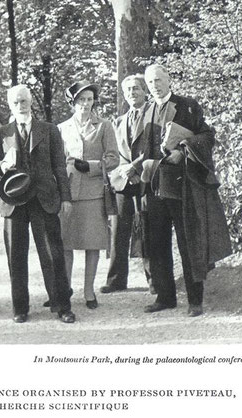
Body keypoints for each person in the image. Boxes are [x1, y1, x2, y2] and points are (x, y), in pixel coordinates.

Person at [141, 64, 231, 316]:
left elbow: (207, 136)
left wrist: (183, 151)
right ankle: (165, 297)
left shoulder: (188, 106)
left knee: (188, 242)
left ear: (168, 80)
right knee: (157, 244)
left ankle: (195, 300)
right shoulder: (146, 110)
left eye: (159, 80)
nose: (155, 85)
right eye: (150, 82)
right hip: (154, 187)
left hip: (182, 188)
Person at [0, 85, 75, 324]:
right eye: (16, 102)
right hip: (13, 202)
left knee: (52, 255)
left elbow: (60, 166)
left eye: (25, 101)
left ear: (30, 102)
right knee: (16, 257)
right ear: (10, 105)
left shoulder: (49, 130)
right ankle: (20, 308)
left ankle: (62, 306)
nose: (21, 105)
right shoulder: (1, 134)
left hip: (44, 199)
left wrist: (65, 198)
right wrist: (2, 168)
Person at [58, 81, 119, 309]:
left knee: (92, 243)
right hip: (68, 192)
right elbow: (56, 161)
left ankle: (88, 290)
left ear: (94, 101)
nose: (85, 104)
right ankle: (64, 288)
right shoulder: (61, 128)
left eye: (89, 99)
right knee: (66, 243)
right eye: (81, 100)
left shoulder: (104, 126)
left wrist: (92, 166)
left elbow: (114, 158)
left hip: (93, 193)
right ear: (73, 102)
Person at [100, 74, 153, 294]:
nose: (132, 93)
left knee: (147, 230)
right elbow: (115, 152)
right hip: (123, 182)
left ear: (144, 91)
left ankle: (154, 281)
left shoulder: (153, 116)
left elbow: (153, 148)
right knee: (118, 231)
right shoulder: (119, 121)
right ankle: (116, 280)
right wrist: (122, 170)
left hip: (145, 180)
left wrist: (136, 167)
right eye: (128, 90)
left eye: (137, 89)